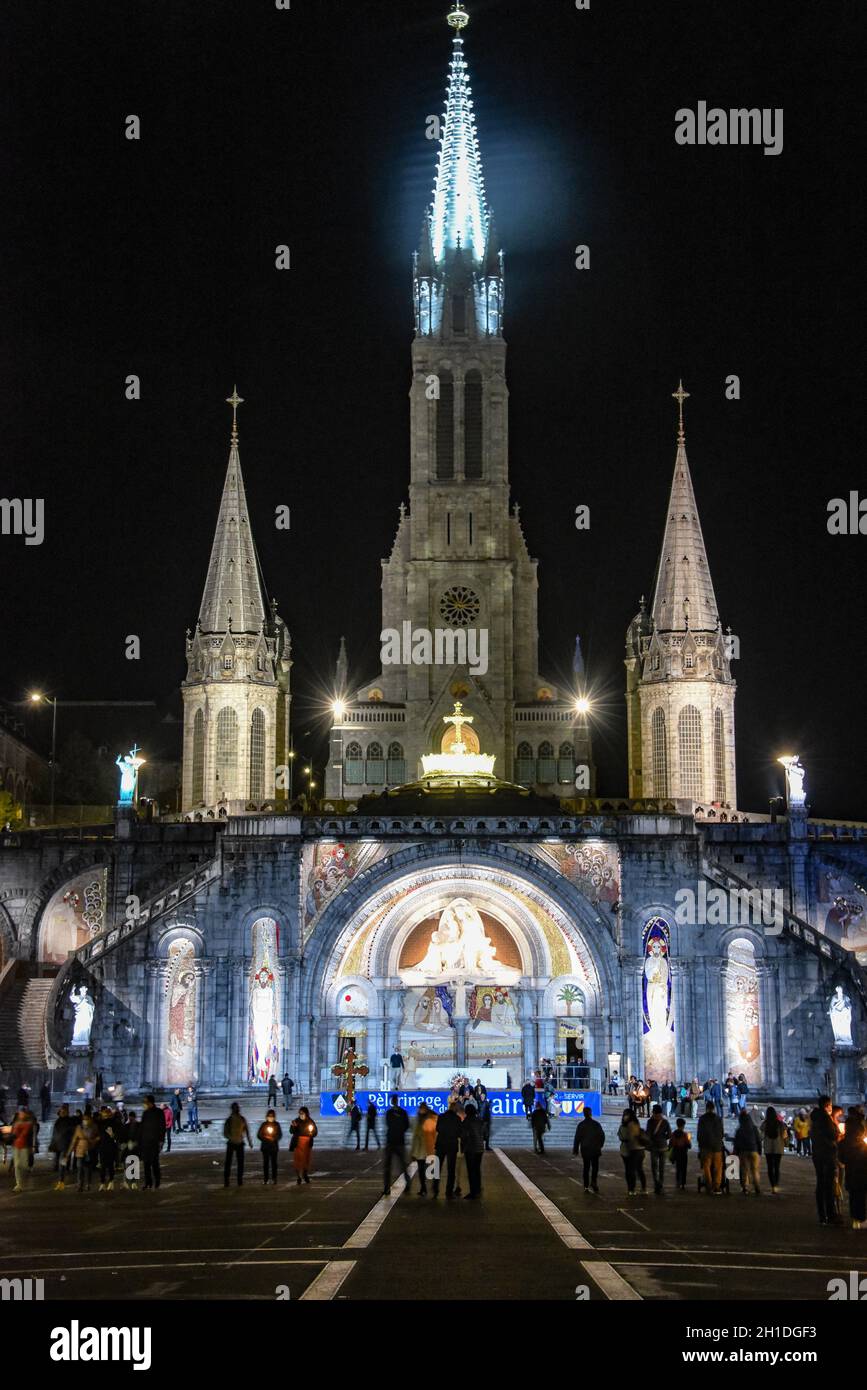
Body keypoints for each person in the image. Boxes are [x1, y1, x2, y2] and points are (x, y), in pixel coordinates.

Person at [810, 1095, 841, 1225]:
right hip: (827, 1155)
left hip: (817, 1154)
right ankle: (831, 1214)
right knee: (828, 1185)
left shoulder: (815, 1118)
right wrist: (838, 1133)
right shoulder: (825, 1119)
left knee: (821, 1184)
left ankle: (823, 1215)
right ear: (827, 1105)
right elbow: (833, 1135)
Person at [839, 1109, 867, 1229]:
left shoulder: (843, 1142)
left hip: (850, 1173)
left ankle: (855, 1219)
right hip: (862, 1173)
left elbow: (842, 1159)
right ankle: (861, 1219)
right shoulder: (862, 1144)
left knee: (853, 1196)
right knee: (861, 1197)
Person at [433, 1099, 462, 1199]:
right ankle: (448, 1191)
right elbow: (459, 1133)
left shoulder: (441, 1116)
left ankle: (435, 1189)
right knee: (451, 1170)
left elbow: (437, 1128)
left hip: (441, 1144)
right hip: (451, 1146)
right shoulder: (457, 1119)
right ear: (455, 1109)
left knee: (437, 1168)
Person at [383, 1093, 411, 1195]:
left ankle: (387, 1188)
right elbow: (407, 1125)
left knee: (388, 1166)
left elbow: (388, 1124)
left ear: (392, 1101)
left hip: (391, 1141)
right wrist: (401, 1131)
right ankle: (408, 1183)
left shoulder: (389, 1113)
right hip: (400, 1141)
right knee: (402, 1165)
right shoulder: (403, 1113)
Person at [572, 1107, 605, 1192]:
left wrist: (575, 1149)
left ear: (584, 1114)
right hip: (595, 1149)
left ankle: (586, 1185)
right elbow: (602, 1136)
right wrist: (600, 1145)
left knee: (586, 1167)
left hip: (585, 1149)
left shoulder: (581, 1125)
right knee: (595, 1167)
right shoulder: (596, 1124)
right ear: (591, 1113)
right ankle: (594, 1182)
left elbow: (577, 1138)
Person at [696, 1100, 725, 1195]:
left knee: (706, 1167)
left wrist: (700, 1145)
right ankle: (717, 1186)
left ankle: (709, 1185)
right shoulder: (718, 1119)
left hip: (705, 1147)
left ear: (706, 1108)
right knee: (718, 1167)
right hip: (717, 1147)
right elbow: (722, 1133)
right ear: (714, 1108)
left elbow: (699, 1134)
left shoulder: (702, 1119)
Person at [732, 1108, 762, 1195]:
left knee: (744, 1170)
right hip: (754, 1150)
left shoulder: (739, 1130)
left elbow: (736, 1142)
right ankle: (757, 1187)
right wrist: (759, 1151)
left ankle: (745, 1187)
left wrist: (736, 1152)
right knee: (755, 1170)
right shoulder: (754, 1128)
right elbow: (758, 1140)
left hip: (743, 1151)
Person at [67, 1111, 99, 1193]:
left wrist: (94, 1141)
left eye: (87, 1119)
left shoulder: (94, 1127)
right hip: (80, 1151)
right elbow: (74, 1140)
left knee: (88, 1169)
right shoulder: (79, 1128)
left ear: (90, 1119)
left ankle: (88, 1184)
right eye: (84, 1119)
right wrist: (69, 1153)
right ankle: (80, 1185)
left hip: (89, 1150)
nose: (85, 1121)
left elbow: (98, 1137)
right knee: (80, 1168)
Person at [409, 1102, 437, 1195]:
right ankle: (425, 1188)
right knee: (423, 1170)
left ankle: (431, 1188)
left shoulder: (431, 1119)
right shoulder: (423, 1120)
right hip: (423, 1150)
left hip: (428, 1149)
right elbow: (415, 1137)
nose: (420, 1110)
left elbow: (435, 1134)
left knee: (431, 1171)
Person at [223, 1102, 253, 1187]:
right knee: (229, 1162)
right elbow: (225, 1132)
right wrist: (231, 1137)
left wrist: (249, 1141)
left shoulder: (241, 1119)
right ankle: (227, 1179)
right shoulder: (230, 1120)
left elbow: (246, 1131)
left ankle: (239, 1180)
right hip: (232, 1143)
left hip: (239, 1142)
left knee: (239, 1163)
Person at [139, 1095, 165, 1190]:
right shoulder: (145, 1113)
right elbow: (142, 1127)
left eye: (146, 1102)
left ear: (150, 1102)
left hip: (154, 1142)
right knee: (146, 1164)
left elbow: (162, 1127)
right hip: (145, 1142)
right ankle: (148, 1182)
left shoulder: (159, 1112)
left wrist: (161, 1140)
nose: (144, 1104)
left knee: (154, 1163)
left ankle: (157, 1181)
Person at [760, 1106, 788, 1193]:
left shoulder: (765, 1124)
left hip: (768, 1148)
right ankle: (776, 1185)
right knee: (776, 1167)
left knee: (770, 1167)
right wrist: (786, 1144)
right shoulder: (780, 1124)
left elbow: (761, 1136)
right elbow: (784, 1135)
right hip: (778, 1148)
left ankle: (772, 1185)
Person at [646, 1104, 672, 1195]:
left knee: (654, 1166)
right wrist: (663, 1137)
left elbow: (648, 1134)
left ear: (654, 1112)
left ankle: (656, 1182)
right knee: (662, 1167)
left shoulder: (650, 1122)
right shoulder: (665, 1122)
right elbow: (669, 1134)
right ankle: (660, 1183)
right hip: (663, 1147)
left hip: (654, 1147)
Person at [461, 1100, 484, 1199]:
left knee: (471, 1171)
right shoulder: (479, 1120)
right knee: (477, 1169)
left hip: (470, 1148)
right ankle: (478, 1188)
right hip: (480, 1148)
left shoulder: (466, 1121)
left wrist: (463, 1147)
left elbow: (464, 1135)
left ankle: (473, 1191)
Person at [50, 1104, 77, 1189]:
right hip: (58, 1145)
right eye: (61, 1112)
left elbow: (72, 1133)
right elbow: (55, 1134)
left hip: (65, 1145)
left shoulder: (70, 1121)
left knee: (62, 1163)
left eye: (64, 1112)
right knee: (59, 1163)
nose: (62, 1113)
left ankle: (61, 1181)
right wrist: (53, 1143)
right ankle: (61, 1180)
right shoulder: (58, 1121)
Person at [290, 1107, 318, 1185]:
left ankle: (305, 1174)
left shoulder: (310, 1121)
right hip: (298, 1144)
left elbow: (315, 1132)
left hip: (307, 1144)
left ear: (306, 1113)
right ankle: (298, 1177)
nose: (301, 1115)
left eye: (302, 1113)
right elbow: (291, 1131)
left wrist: (311, 1133)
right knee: (298, 1160)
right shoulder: (296, 1121)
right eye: (300, 1113)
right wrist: (293, 1126)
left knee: (306, 1160)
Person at [9, 1107, 35, 1193]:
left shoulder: (29, 1124)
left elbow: (32, 1136)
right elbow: (13, 1134)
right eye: (20, 1113)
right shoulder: (16, 1124)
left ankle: (22, 1182)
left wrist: (33, 1146)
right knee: (17, 1166)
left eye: (22, 1113)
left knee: (24, 1166)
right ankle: (18, 1184)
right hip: (16, 1146)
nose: (21, 1115)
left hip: (25, 1147)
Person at [96, 1105, 120, 1191]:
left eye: (107, 1113)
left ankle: (110, 1181)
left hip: (110, 1146)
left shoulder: (113, 1122)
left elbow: (118, 1134)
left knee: (109, 1165)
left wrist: (113, 1135)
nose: (105, 1114)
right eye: (104, 1113)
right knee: (103, 1165)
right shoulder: (100, 1123)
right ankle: (103, 1183)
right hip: (103, 1146)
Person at [257, 1109, 283, 1185]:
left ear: (274, 1117)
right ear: (267, 1117)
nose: (271, 1118)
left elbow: (279, 1135)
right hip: (265, 1147)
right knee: (266, 1163)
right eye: (269, 1116)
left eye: (272, 1116)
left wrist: (274, 1138)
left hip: (274, 1147)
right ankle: (266, 1178)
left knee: (274, 1163)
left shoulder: (277, 1124)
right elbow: (259, 1135)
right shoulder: (264, 1124)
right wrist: (266, 1138)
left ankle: (274, 1178)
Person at [670, 1116, 692, 1189]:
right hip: (683, 1153)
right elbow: (689, 1145)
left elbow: (671, 1144)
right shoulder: (685, 1134)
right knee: (683, 1168)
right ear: (683, 1125)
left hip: (676, 1153)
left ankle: (678, 1182)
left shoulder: (673, 1134)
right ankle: (683, 1183)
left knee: (678, 1168)